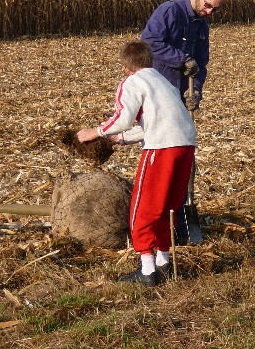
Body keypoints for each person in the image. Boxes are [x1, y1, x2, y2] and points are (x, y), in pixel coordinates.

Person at [77, 40, 196, 286]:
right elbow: (154, 124)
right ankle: (164, 263)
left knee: (143, 207)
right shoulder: (164, 82)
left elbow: (123, 119)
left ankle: (147, 271)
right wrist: (118, 139)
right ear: (150, 61)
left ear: (125, 67)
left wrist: (96, 132)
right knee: (167, 207)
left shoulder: (132, 82)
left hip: (161, 149)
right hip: (185, 146)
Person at [141, 0, 228, 111]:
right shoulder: (170, 11)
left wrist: (195, 90)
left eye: (215, 9)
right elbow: (149, 42)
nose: (209, 12)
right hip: (158, 91)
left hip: (179, 98)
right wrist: (182, 59)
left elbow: (200, 64)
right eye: (208, 5)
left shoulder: (202, 25)